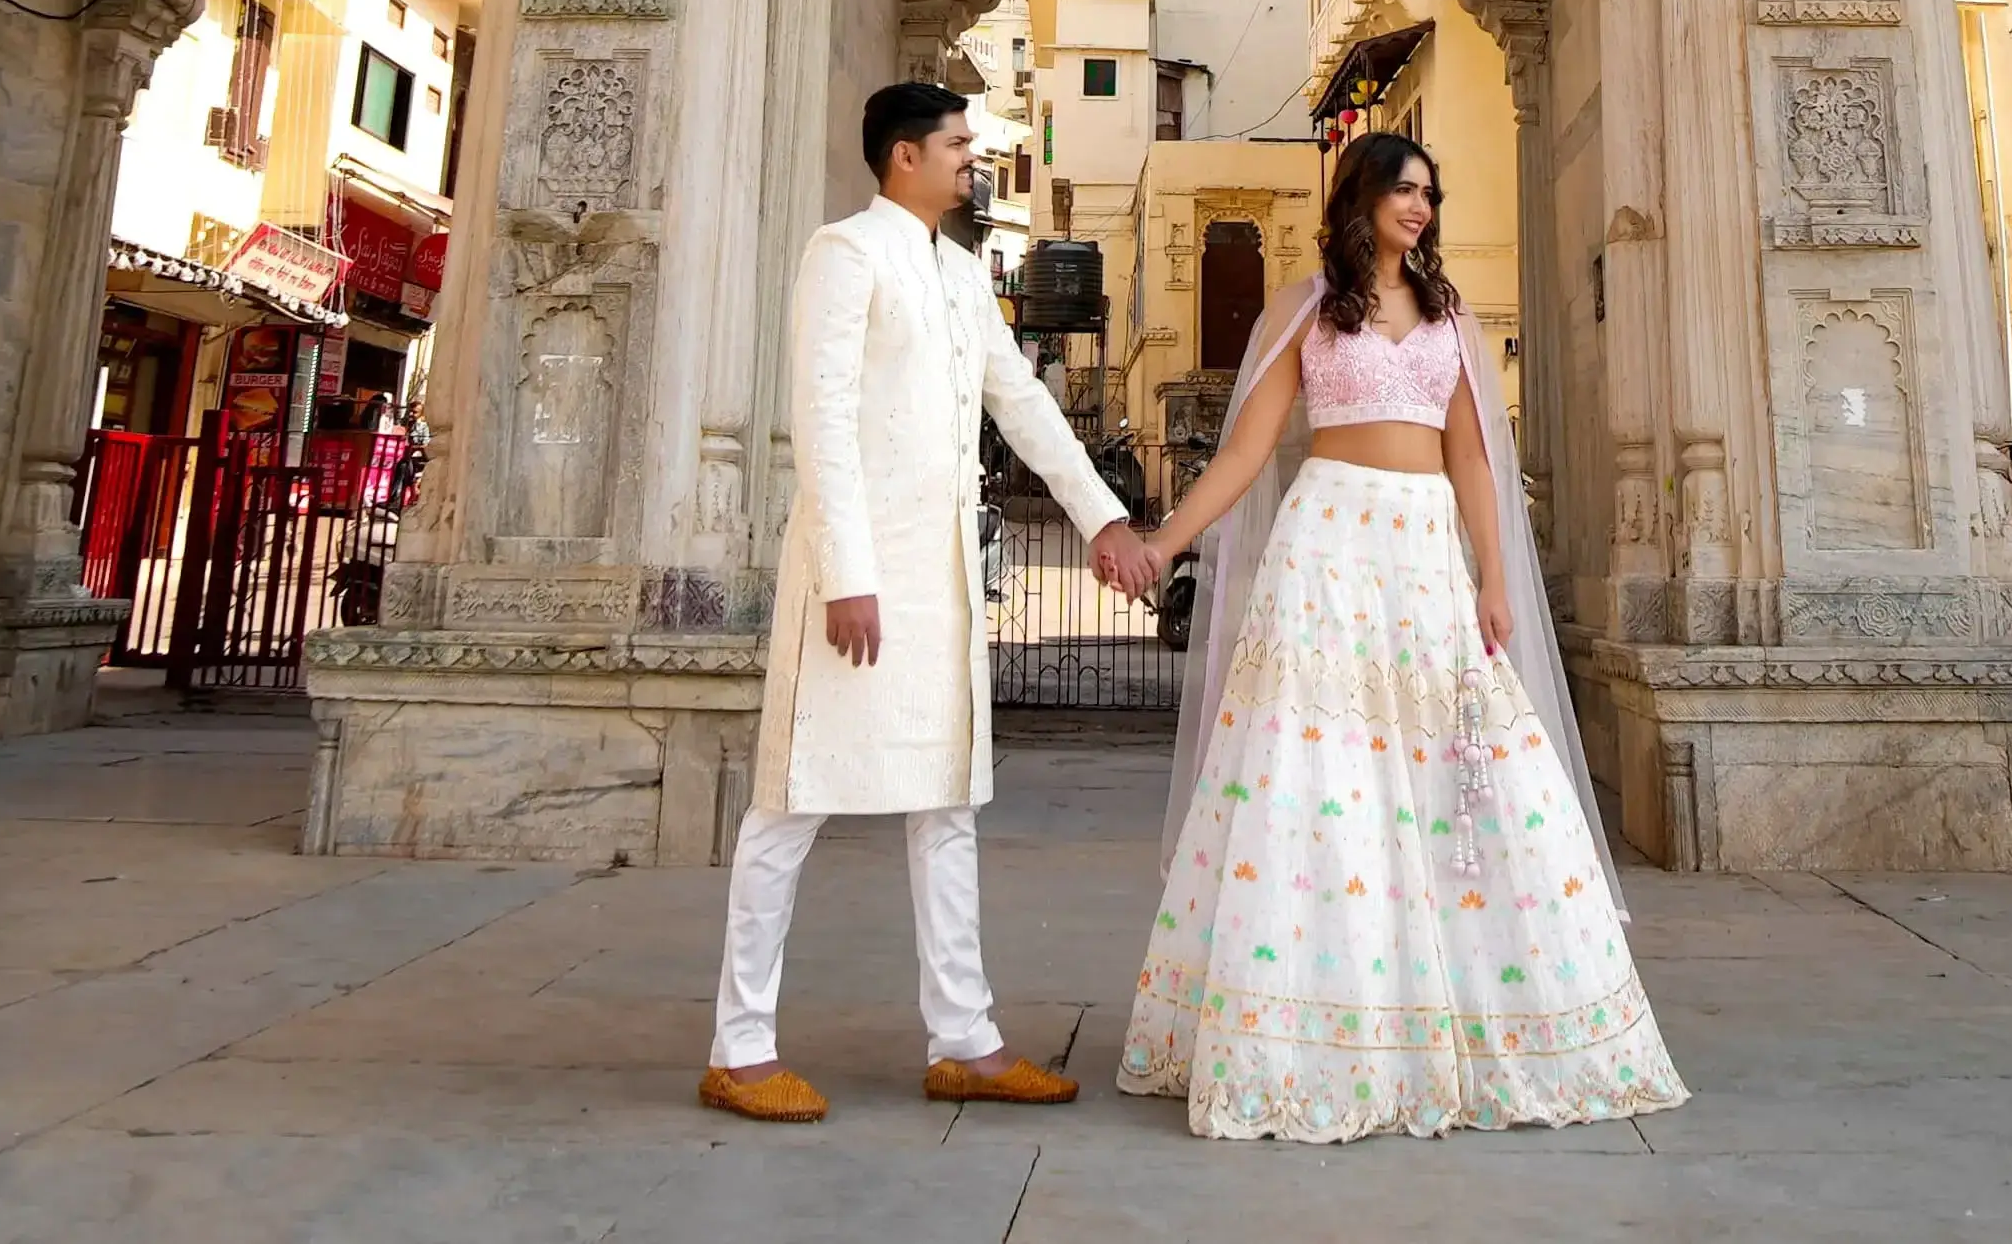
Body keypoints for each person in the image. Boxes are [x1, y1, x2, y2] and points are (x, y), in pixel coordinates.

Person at [1101, 132, 1686, 1141]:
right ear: (1361, 194)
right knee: (1317, 771)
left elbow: (1468, 457)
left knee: (1463, 766)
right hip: (1327, 544)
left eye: (1431, 192)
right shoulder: (1307, 306)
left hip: (1421, 555)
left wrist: (1493, 579)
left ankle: (1486, 1008)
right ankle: (1319, 1023)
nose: (1420, 207)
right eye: (1404, 189)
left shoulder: (1447, 312)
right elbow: (1246, 450)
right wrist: (1163, 541)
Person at [700, 81, 1165, 1125]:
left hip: (944, 582)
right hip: (857, 582)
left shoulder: (961, 275)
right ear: (903, 156)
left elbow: (1026, 406)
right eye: (957, 145)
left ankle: (964, 1039)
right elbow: (817, 420)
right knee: (790, 802)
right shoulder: (845, 254)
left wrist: (1102, 522)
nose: (971, 161)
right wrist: (847, 573)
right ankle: (738, 1049)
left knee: (947, 805)